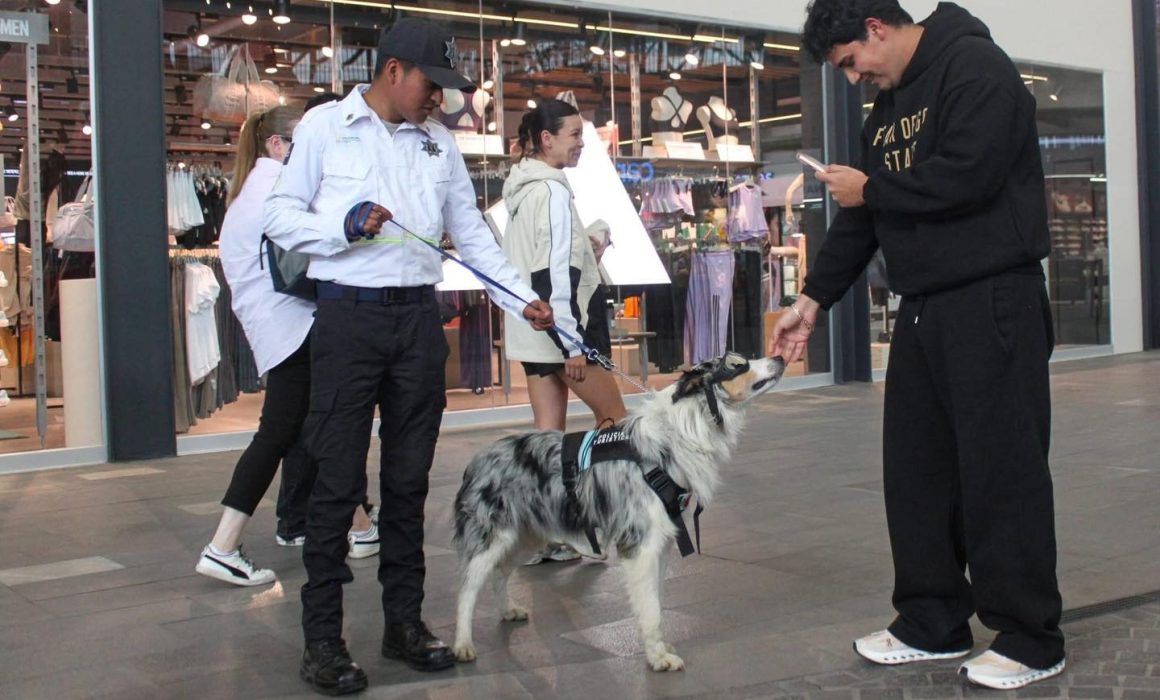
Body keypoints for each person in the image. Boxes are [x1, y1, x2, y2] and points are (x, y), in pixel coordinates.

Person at [774, 1, 1067, 691]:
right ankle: (932, 620)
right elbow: (864, 217)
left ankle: (1030, 637)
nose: (854, 79)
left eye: (852, 62)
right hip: (925, 305)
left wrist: (873, 188)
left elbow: (970, 174)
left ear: (876, 28)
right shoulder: (889, 108)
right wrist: (811, 300)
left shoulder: (977, 68)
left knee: (1001, 471)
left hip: (992, 297)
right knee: (917, 471)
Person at [263, 18, 554, 697]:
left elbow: (472, 236)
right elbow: (279, 216)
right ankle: (324, 641)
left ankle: (404, 624)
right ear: (392, 71)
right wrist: (340, 227)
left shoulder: (438, 143)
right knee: (336, 480)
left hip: (418, 322)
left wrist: (522, 300)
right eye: (432, 84)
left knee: (409, 481)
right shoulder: (326, 128)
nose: (439, 99)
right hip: (347, 320)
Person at [195, 105, 378, 588]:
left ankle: (360, 528)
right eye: (301, 141)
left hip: (280, 330)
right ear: (276, 145)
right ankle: (223, 545)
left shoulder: (249, 192)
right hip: (294, 328)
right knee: (291, 432)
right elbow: (321, 243)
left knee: (315, 430)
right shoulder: (277, 188)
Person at [501, 102, 627, 565]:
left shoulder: (522, 189)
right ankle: (606, 519)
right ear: (545, 139)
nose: (580, 144)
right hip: (561, 332)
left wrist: (587, 244)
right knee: (615, 422)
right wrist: (573, 344)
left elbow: (540, 262)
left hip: (535, 332)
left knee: (547, 438)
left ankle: (547, 533)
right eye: (574, 135)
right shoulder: (552, 191)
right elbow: (552, 273)